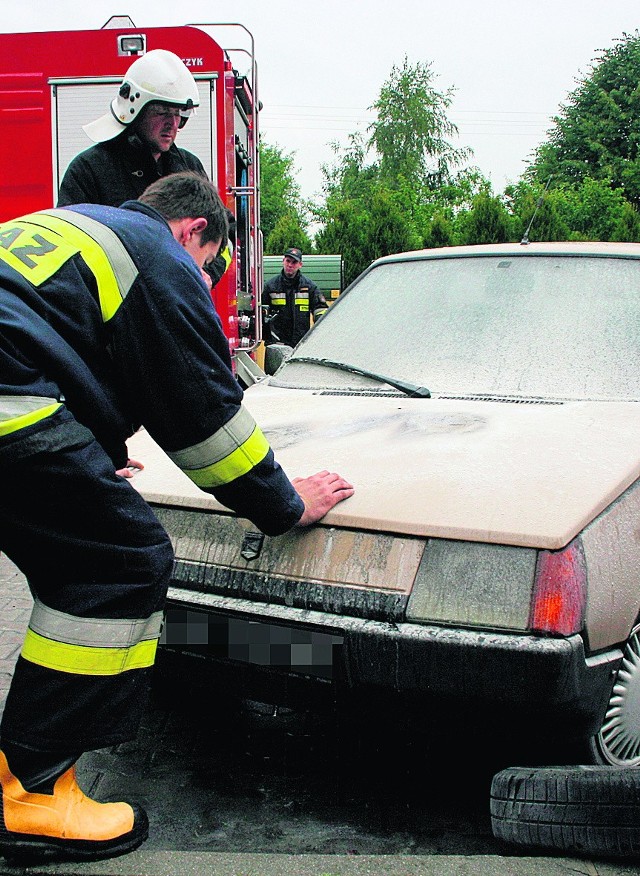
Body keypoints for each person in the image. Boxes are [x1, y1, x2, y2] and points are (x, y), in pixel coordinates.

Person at [0, 171, 354, 864]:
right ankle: (30, 793)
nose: (204, 280)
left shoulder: (77, 227)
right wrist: (285, 504)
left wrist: (85, 450)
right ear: (194, 232)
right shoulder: (159, 258)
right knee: (117, 562)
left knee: (75, 544)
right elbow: (204, 425)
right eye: (209, 266)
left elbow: (49, 336)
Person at [57, 48, 233, 289]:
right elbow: (69, 249)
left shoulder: (188, 167)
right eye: (162, 113)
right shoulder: (90, 169)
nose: (172, 124)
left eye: (178, 114)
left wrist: (207, 274)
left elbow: (224, 236)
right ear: (135, 111)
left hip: (174, 307)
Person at [263, 247, 328, 348]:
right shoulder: (270, 286)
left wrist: (320, 331)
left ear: (300, 265)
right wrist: (267, 336)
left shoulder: (309, 287)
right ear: (283, 261)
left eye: (294, 262)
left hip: (301, 344)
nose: (290, 265)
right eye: (288, 261)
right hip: (276, 344)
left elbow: (320, 309)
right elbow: (260, 313)